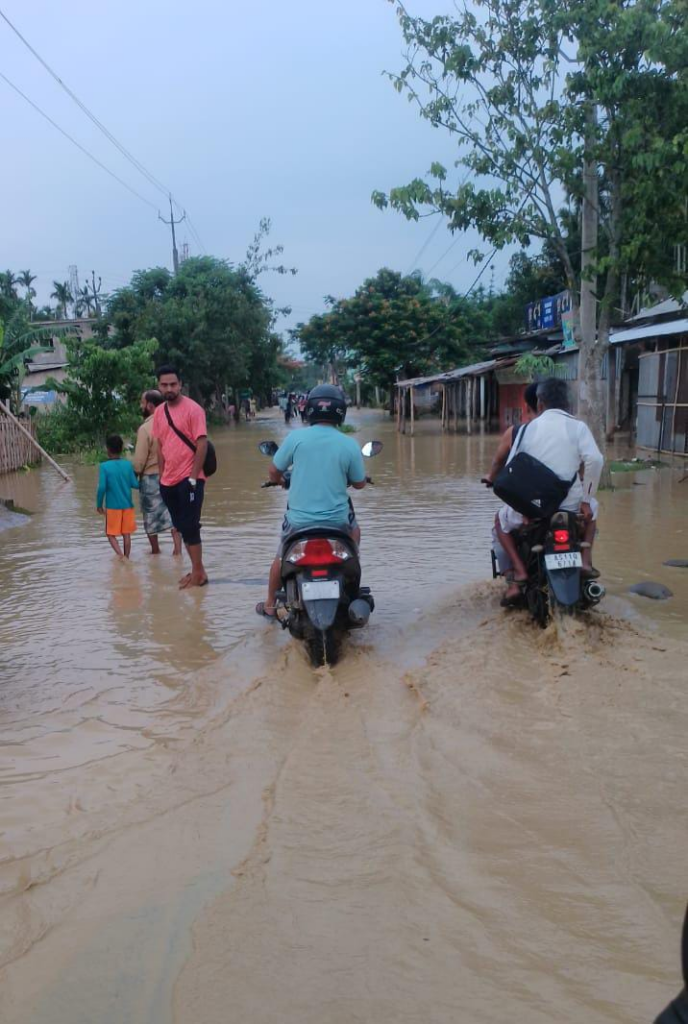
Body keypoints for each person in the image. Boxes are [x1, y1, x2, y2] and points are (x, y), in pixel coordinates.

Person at [257, 384, 366, 619]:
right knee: (355, 535)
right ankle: (353, 591)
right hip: (337, 523)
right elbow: (359, 483)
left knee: (281, 554)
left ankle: (269, 604)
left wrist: (279, 480)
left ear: (310, 409)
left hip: (299, 522)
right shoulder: (349, 444)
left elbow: (273, 471)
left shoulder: (295, 438)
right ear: (341, 411)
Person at [495, 378, 603, 603]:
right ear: (568, 404)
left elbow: (512, 470)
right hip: (571, 506)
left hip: (533, 508)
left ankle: (520, 573)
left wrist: (523, 509)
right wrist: (585, 500)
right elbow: (594, 459)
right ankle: (585, 560)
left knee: (500, 522)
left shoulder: (526, 430)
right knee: (593, 511)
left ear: (540, 403)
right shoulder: (578, 427)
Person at [153, 365, 209, 589]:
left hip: (190, 479)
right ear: (158, 386)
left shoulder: (193, 410)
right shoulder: (159, 412)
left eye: (173, 384)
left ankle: (197, 573)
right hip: (168, 481)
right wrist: (161, 477)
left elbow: (201, 444)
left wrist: (194, 477)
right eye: (164, 385)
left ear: (180, 385)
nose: (169, 388)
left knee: (190, 526)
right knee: (182, 526)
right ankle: (198, 571)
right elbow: (160, 446)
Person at [133, 389, 182, 556]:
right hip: (174, 475)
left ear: (151, 406)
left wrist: (135, 473)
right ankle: (177, 550)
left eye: (142, 403)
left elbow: (139, 460)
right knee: (174, 513)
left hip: (151, 478)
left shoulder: (145, 428)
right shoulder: (174, 422)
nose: (141, 406)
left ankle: (155, 551)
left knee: (150, 515)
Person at [96, 434, 139, 559]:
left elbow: (102, 487)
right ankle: (127, 557)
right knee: (127, 534)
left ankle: (121, 557)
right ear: (121, 449)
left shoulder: (104, 466)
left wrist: (99, 505)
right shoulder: (127, 465)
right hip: (128, 506)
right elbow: (135, 485)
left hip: (113, 507)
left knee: (110, 534)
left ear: (108, 449)